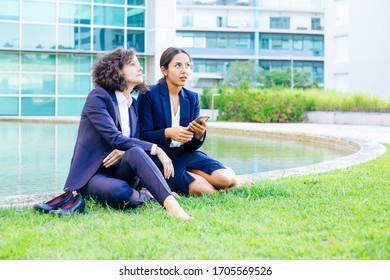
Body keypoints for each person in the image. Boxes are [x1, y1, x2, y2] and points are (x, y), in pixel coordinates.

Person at [61, 47, 192, 220]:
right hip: (93, 175)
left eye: (139, 65)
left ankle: (172, 206)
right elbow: (114, 138)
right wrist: (157, 149)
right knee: (121, 191)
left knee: (136, 152)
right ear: (116, 70)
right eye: (132, 64)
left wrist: (124, 151)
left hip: (121, 171)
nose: (140, 69)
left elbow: (134, 141)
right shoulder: (98, 97)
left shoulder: (134, 105)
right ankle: (150, 198)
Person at [138, 47, 242, 196]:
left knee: (223, 179)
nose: (184, 70)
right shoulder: (148, 95)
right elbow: (142, 136)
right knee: (204, 190)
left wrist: (199, 135)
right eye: (178, 65)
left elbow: (193, 144)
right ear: (164, 70)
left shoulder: (192, 98)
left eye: (187, 66)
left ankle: (228, 177)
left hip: (186, 154)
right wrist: (167, 133)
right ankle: (226, 186)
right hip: (161, 160)